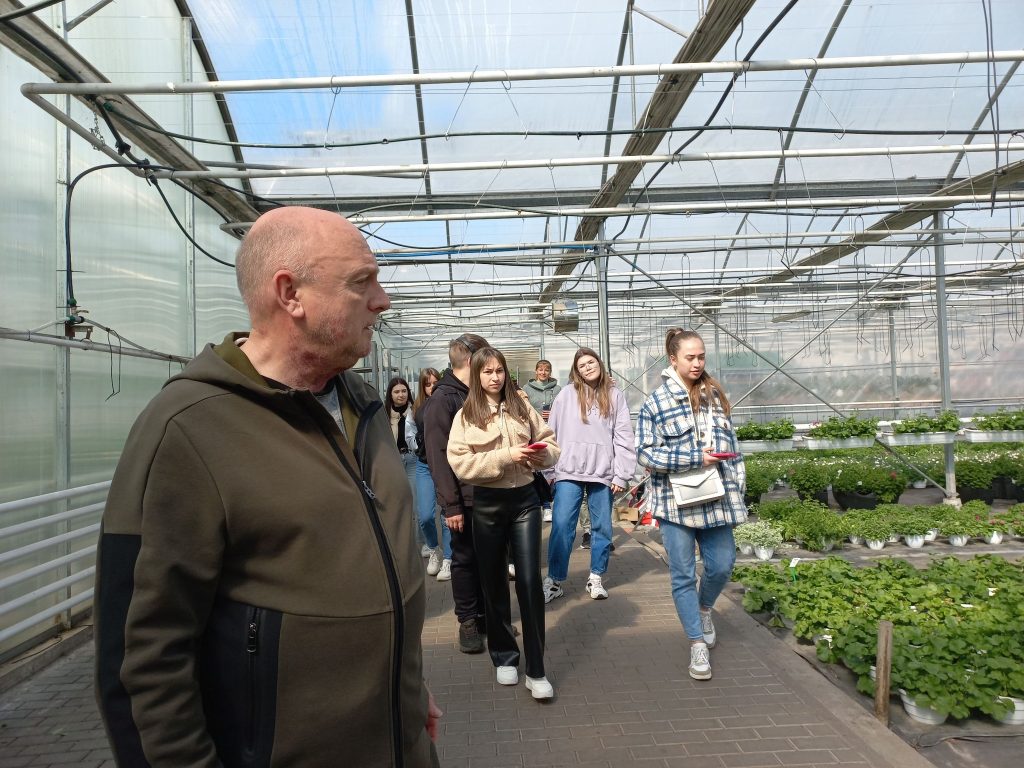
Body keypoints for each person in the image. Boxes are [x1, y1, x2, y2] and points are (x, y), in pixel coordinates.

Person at [94, 206, 440, 767]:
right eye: (362, 282)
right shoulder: (189, 428)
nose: (383, 300)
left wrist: (407, 691)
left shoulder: (362, 405)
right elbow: (145, 659)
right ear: (290, 294)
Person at [447, 347, 560, 699]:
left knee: (529, 581)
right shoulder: (466, 415)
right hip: (487, 504)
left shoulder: (521, 405)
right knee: (493, 582)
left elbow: (551, 442)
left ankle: (537, 669)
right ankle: (504, 656)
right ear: (477, 375)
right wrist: (506, 455)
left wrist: (541, 455)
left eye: (499, 371)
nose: (495, 377)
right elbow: (460, 463)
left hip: (525, 501)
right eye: (487, 372)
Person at [635, 328, 747, 682]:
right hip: (675, 501)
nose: (697, 363)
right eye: (690, 357)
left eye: (701, 357)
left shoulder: (713, 395)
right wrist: (695, 457)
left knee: (722, 564)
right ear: (673, 359)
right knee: (682, 574)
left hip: (716, 497)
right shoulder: (656, 403)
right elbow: (646, 454)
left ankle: (703, 608)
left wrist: (738, 487)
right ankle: (696, 643)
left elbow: (733, 446)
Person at [542, 348, 635, 603]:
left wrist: (621, 474)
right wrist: (549, 469)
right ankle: (554, 580)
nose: (587, 367)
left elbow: (624, 435)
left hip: (602, 472)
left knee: (602, 526)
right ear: (577, 371)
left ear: (599, 363)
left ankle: (596, 577)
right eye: (582, 365)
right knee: (562, 525)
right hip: (567, 470)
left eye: (591, 362)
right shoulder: (566, 395)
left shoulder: (614, 395)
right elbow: (551, 432)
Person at [421, 334, 490, 654]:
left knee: (489, 560)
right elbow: (437, 455)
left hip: (488, 493)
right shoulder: (443, 399)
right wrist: (451, 505)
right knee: (464, 560)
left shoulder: (477, 393)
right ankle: (468, 621)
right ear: (472, 360)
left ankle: (488, 616)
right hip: (463, 497)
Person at [413, 367, 452, 581]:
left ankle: (448, 558)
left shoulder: (447, 403)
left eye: (435, 382)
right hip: (424, 465)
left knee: (447, 513)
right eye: (427, 384)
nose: (432, 387)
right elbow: (410, 433)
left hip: (445, 465)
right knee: (425, 515)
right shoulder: (417, 409)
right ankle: (434, 548)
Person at [523, 360, 561, 522]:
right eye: (540, 369)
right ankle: (545, 506)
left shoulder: (558, 389)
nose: (543, 372)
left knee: (554, 467)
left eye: (546, 370)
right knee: (539, 467)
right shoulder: (526, 389)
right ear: (536, 371)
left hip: (554, 431)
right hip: (535, 432)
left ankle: (554, 504)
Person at [386, 376, 420, 544]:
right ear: (390, 394)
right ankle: (398, 542)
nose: (401, 395)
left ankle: (419, 542)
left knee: (415, 502)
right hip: (393, 462)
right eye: (397, 391)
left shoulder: (415, 411)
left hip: (412, 459)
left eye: (404, 391)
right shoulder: (384, 414)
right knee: (396, 502)